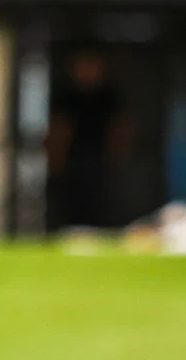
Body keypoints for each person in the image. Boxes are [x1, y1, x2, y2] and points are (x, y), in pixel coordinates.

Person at [48, 48, 128, 231]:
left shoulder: (110, 96)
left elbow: (121, 128)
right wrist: (56, 159)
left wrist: (116, 156)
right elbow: (59, 128)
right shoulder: (66, 97)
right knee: (71, 204)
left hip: (100, 160)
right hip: (72, 160)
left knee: (100, 204)